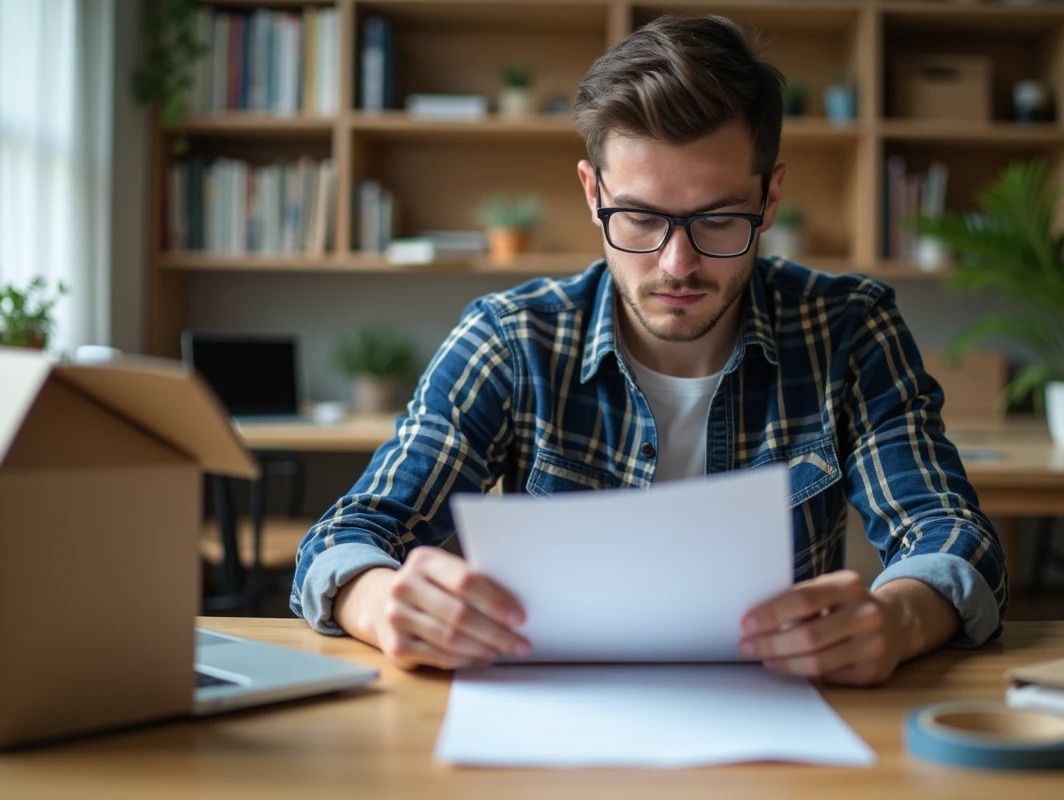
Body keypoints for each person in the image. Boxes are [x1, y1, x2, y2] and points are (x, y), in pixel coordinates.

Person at [291, 15, 1007, 685]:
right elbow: (346, 537)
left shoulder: (849, 328)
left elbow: (949, 535)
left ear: (771, 197)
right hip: (554, 722)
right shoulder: (510, 339)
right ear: (591, 192)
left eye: (720, 219)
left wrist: (897, 618)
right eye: (638, 217)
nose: (675, 266)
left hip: (777, 724)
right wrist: (383, 604)